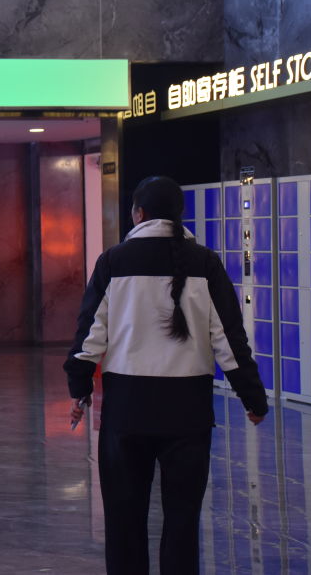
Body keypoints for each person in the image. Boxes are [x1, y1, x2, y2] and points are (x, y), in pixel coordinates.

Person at [64, 176, 268, 574]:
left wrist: (79, 386)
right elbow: (229, 340)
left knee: (124, 523)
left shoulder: (112, 262)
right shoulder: (205, 263)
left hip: (126, 412)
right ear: (180, 215)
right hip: (188, 414)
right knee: (182, 523)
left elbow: (90, 335)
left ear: (138, 214)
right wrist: (252, 398)